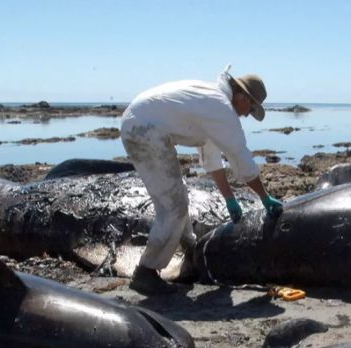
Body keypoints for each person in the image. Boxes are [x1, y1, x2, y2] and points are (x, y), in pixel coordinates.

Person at [120, 65, 283, 295]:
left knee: (178, 197)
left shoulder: (212, 107)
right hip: (144, 130)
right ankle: (145, 273)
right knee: (173, 206)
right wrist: (265, 198)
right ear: (242, 96)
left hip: (143, 125)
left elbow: (212, 158)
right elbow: (240, 156)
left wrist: (229, 199)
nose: (247, 114)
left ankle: (190, 250)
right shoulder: (221, 109)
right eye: (251, 107)